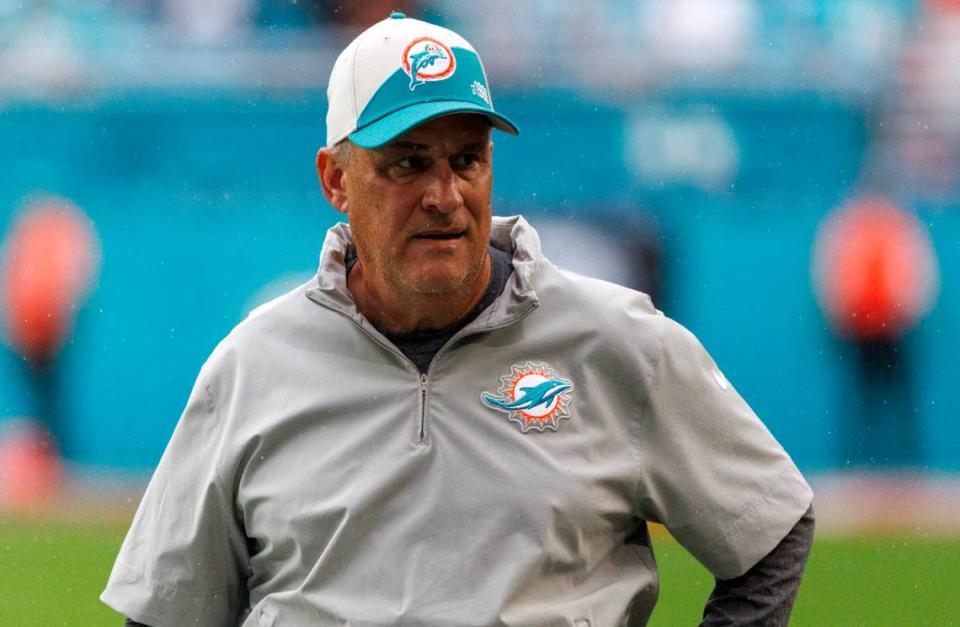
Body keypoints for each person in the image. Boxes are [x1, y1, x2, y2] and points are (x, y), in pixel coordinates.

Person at [103, 13, 814, 627]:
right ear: (335, 180)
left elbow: (770, 527)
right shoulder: (252, 365)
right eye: (408, 164)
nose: (445, 195)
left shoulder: (617, 341)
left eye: (466, 160)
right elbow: (166, 606)